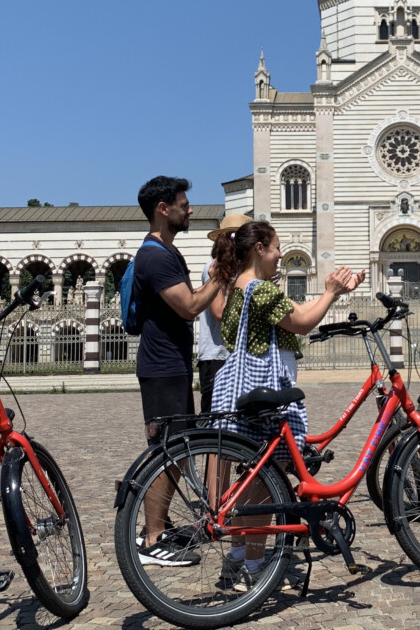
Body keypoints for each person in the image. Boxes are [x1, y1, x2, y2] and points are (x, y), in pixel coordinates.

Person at [208, 221, 364, 588]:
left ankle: (238, 555)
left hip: (244, 392)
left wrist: (336, 294)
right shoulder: (259, 290)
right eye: (277, 248)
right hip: (267, 394)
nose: (281, 255)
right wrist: (330, 291)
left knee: (251, 478)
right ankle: (256, 565)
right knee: (263, 483)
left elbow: (294, 308)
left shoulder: (240, 290)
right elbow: (303, 321)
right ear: (260, 248)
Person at [132, 175, 222, 566]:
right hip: (162, 367)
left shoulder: (169, 252)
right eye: (183, 204)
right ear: (163, 209)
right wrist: (220, 275)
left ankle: (159, 527)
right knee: (168, 452)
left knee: (178, 451)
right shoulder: (155, 255)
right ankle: (152, 540)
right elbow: (188, 306)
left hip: (173, 365)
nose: (190, 209)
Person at [197, 214, 253, 413]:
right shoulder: (214, 268)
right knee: (214, 419)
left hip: (235, 354)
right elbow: (219, 313)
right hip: (217, 355)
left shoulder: (241, 271)